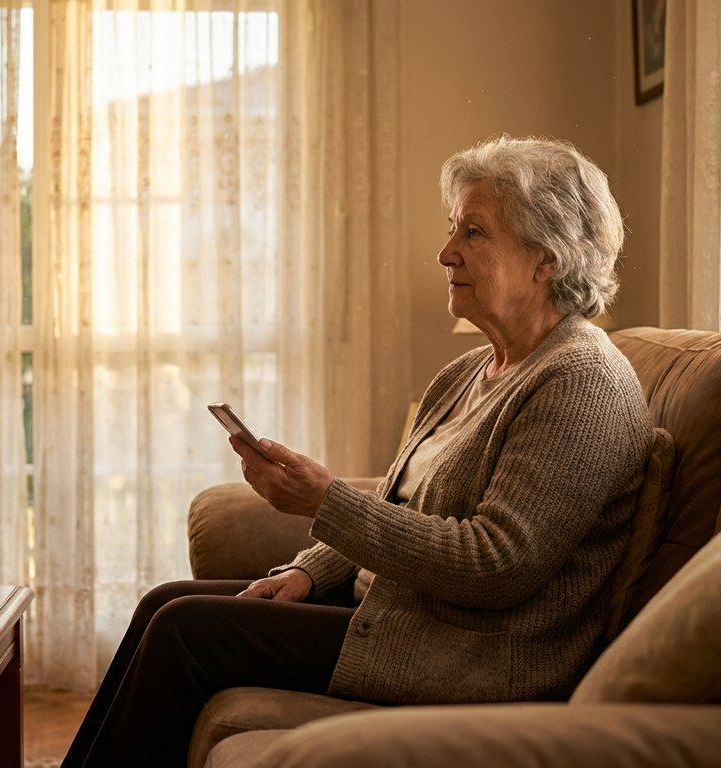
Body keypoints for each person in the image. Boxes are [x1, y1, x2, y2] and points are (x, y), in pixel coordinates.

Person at [61, 136, 652, 768]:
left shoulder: (582, 381)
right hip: (394, 607)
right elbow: (399, 506)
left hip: (469, 649)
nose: (445, 252)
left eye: (474, 233)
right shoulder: (469, 373)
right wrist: (308, 572)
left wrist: (325, 501)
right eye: (454, 229)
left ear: (548, 260)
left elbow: (498, 563)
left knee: (183, 632)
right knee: (164, 600)